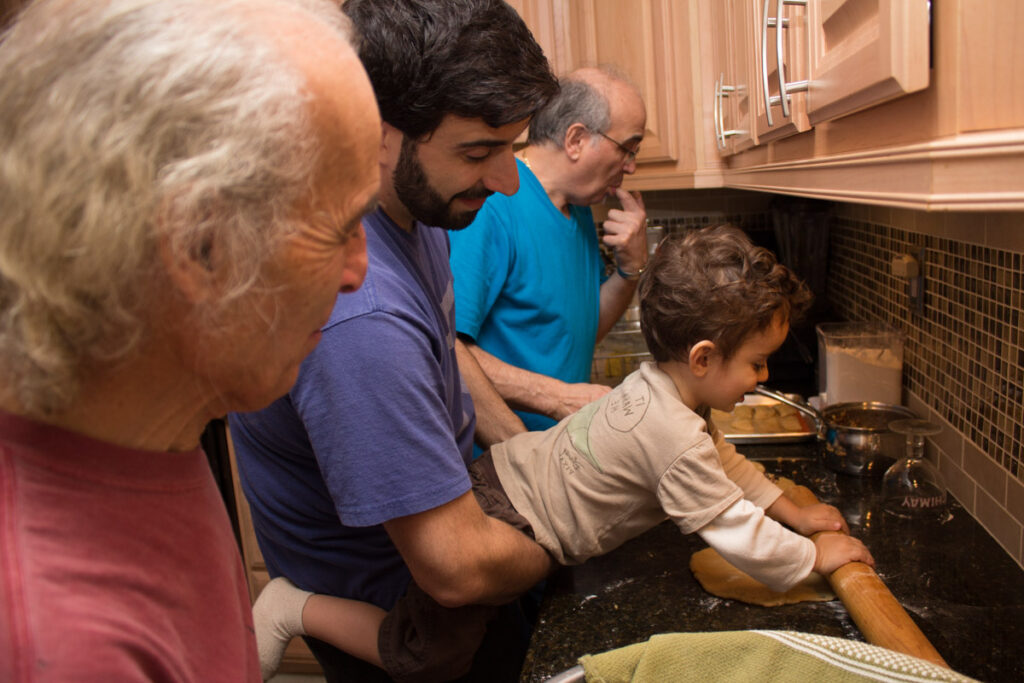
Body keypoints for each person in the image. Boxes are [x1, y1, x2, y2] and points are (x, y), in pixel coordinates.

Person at [253, 224, 876, 681]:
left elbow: (725, 463)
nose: (762, 376)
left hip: (499, 480)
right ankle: (294, 608)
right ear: (703, 358)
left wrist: (792, 512)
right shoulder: (675, 438)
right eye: (756, 362)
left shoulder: (658, 388)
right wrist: (809, 557)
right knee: (426, 656)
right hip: (507, 519)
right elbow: (735, 533)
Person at [0, 0, 381, 680]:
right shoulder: (61, 642)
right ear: (197, 245)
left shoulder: (157, 427)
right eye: (338, 228)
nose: (361, 271)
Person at [228, 1, 561, 681]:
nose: (506, 182)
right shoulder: (358, 310)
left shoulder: (419, 204)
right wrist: (569, 534)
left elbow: (446, 354)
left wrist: (528, 456)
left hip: (438, 542)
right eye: (479, 152)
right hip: (394, 605)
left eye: (513, 147)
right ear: (378, 132)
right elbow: (457, 568)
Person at [449, 65, 651, 438]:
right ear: (576, 139)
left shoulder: (578, 209)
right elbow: (447, 350)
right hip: (495, 468)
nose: (632, 166)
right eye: (627, 148)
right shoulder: (492, 205)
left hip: (554, 459)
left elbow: (575, 332)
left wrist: (629, 271)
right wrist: (557, 398)